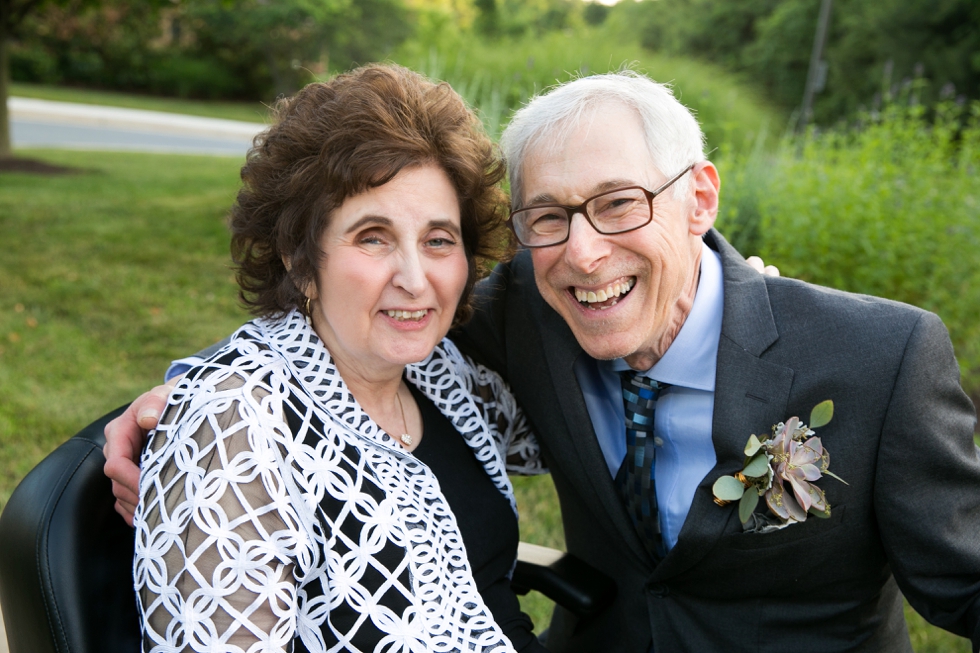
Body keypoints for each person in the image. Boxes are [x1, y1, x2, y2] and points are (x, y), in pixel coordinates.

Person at [107, 70, 980, 652]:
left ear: (698, 198)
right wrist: (183, 399)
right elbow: (313, 357)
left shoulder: (879, 359)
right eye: (550, 217)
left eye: (618, 204)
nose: (586, 253)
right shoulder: (523, 312)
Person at [130, 63, 549, 653]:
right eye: (373, 236)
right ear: (300, 260)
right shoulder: (236, 426)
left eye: (438, 240)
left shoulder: (443, 376)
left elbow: (569, 433)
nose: (414, 279)